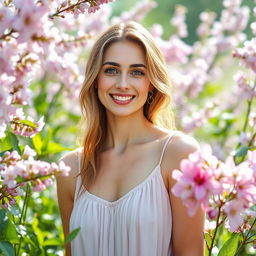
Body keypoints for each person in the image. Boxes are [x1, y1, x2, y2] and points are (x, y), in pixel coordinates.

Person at [56, 21, 205, 256]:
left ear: (151, 84)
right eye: (111, 70)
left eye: (137, 72)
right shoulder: (70, 169)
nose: (123, 84)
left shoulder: (178, 154)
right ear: (95, 80)